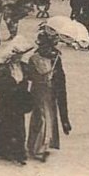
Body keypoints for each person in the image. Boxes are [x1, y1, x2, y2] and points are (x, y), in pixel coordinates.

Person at [27, 28, 72, 162]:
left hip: (50, 91)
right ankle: (36, 148)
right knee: (41, 117)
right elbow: (30, 75)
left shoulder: (55, 58)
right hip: (39, 90)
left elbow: (60, 78)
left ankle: (43, 145)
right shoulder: (35, 58)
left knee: (49, 117)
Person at [0, 41, 32, 165]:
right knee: (6, 125)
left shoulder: (24, 67)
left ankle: (18, 151)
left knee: (19, 126)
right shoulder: (3, 69)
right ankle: (4, 150)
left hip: (18, 102)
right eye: (17, 55)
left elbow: (29, 80)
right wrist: (12, 89)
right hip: (7, 102)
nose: (19, 57)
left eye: (21, 55)